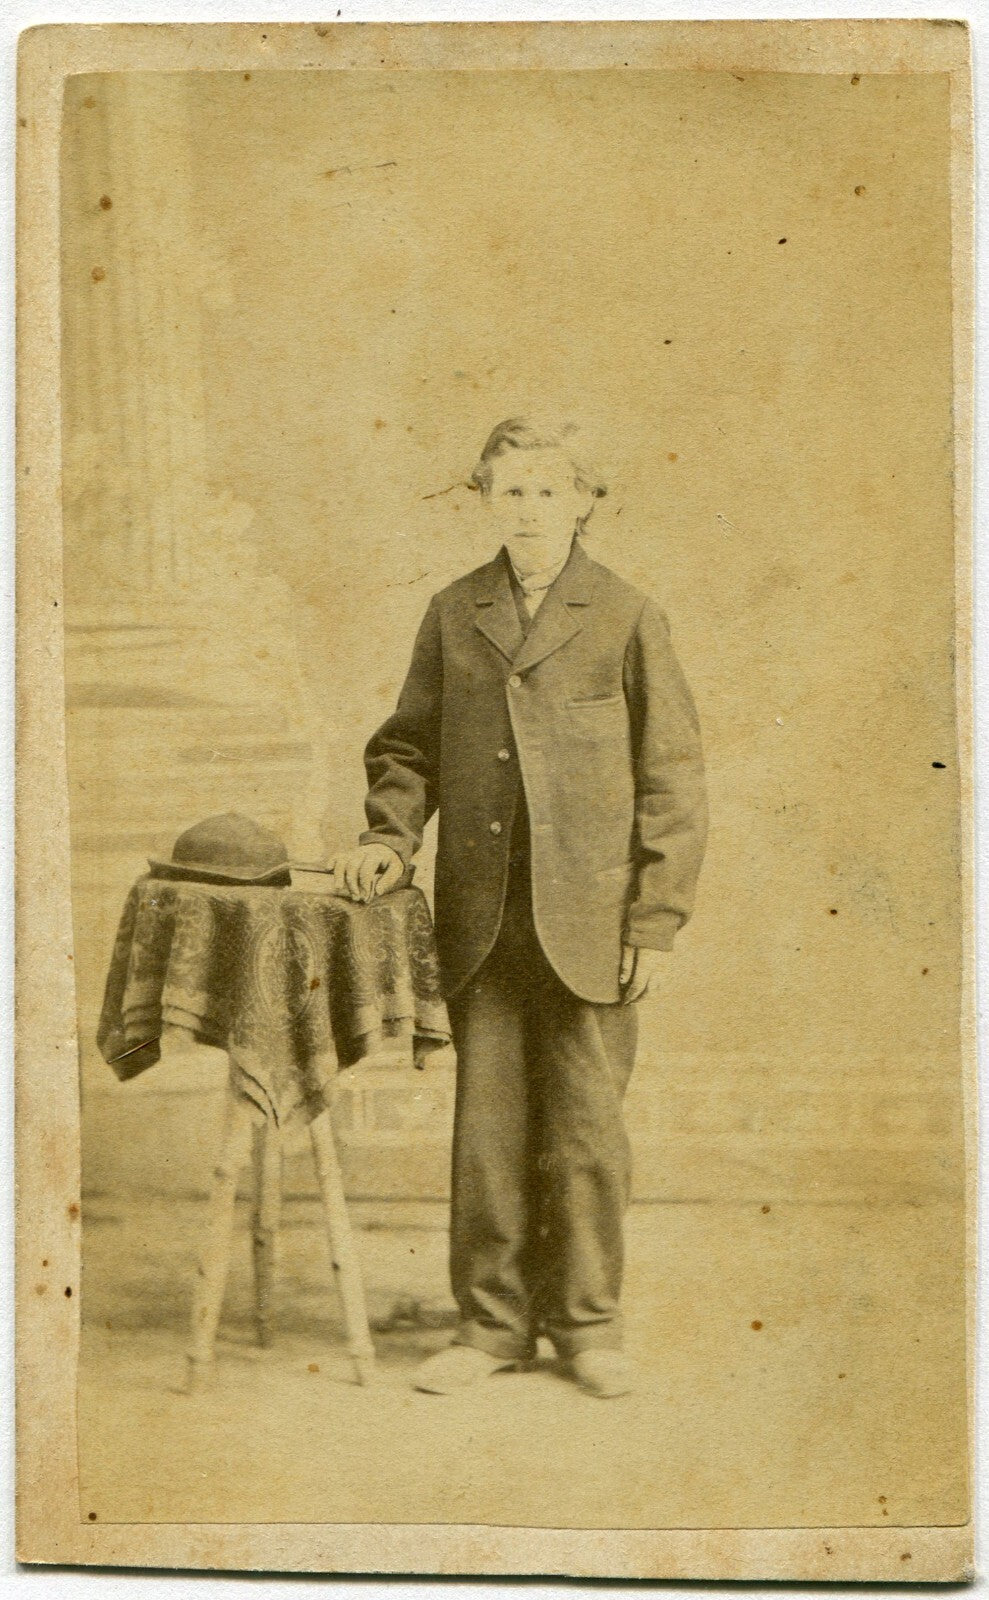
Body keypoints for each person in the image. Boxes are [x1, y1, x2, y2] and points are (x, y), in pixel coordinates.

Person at [330, 417, 708, 1397]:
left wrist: (655, 918)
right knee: (488, 1132)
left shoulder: (626, 615)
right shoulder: (454, 612)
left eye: (547, 490)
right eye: (509, 491)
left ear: (584, 499)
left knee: (584, 1132)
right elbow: (407, 748)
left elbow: (671, 781)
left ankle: (589, 1326)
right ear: (484, 500)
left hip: (593, 921)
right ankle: (489, 1325)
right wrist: (386, 837)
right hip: (484, 919)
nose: (528, 509)